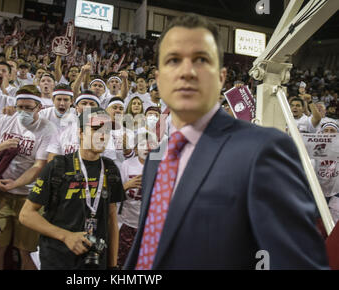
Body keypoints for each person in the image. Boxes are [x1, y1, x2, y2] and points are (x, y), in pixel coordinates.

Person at [124, 14, 329, 270]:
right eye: (173, 60)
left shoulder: (263, 150)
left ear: (221, 77)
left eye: (201, 60)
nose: (187, 71)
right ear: (158, 77)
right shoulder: (157, 159)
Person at [19, 107, 125, 269]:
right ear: (81, 132)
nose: (102, 135)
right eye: (96, 129)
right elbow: (26, 214)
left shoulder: (111, 169)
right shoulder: (58, 166)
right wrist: (66, 236)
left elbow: (112, 219)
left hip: (95, 260)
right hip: (57, 259)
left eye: (107, 130)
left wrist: (113, 266)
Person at [0, 87, 56, 270]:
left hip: (30, 197)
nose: (23, 112)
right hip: (0, 194)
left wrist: (16, 183)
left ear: (39, 107)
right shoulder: (4, 119)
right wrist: (0, 146)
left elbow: (39, 166)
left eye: (29, 108)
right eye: (20, 107)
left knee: (26, 251)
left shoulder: (47, 128)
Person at [117, 131, 158, 267]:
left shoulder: (161, 165)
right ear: (135, 148)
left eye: (150, 144)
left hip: (152, 226)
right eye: (142, 144)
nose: (146, 147)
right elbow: (115, 194)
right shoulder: (127, 165)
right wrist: (126, 185)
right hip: (129, 222)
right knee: (123, 261)